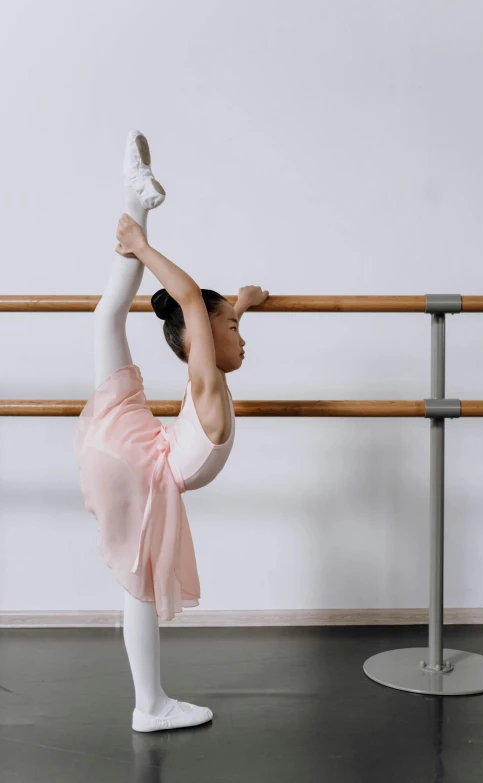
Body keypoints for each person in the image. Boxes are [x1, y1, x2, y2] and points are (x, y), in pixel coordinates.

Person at [74, 130, 269, 732]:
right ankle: (150, 706)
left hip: (130, 443)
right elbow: (189, 299)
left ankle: (134, 195)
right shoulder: (205, 383)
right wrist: (140, 246)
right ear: (204, 340)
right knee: (140, 586)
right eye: (233, 326)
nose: (243, 334)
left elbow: (205, 312)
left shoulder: (204, 376)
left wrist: (244, 299)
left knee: (108, 317)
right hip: (141, 466)